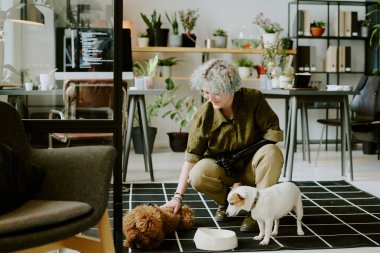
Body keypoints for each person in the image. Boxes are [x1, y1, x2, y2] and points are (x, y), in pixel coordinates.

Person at [162, 59, 284, 232]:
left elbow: (273, 132)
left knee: (272, 152)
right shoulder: (204, 115)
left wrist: (243, 154)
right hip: (223, 170)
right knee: (197, 174)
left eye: (216, 92)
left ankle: (258, 210)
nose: (210, 98)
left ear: (231, 87)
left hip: (252, 167)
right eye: (205, 92)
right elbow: (190, 160)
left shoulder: (253, 99)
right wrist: (177, 198)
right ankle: (226, 202)